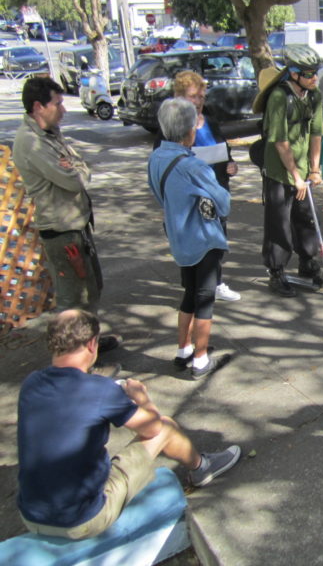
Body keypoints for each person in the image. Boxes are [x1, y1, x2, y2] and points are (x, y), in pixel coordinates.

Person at [16, 309, 241, 539]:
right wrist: (142, 397)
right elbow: (152, 427)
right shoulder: (99, 389)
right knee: (165, 426)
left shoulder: (31, 383)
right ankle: (202, 467)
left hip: (31, 515)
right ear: (92, 344)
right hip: (82, 520)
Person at [12, 76, 120, 367]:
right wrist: (77, 170)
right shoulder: (31, 142)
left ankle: (88, 343)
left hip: (77, 227)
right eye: (58, 103)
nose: (63, 109)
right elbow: (74, 181)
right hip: (62, 232)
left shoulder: (50, 133)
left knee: (90, 290)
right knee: (73, 300)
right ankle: (69, 364)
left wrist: (77, 168)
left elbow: (81, 164)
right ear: (38, 106)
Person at [148, 98, 231, 379]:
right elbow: (224, 203)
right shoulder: (192, 166)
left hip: (178, 235)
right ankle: (200, 358)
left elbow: (158, 194)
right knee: (205, 298)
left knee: (189, 295)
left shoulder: (157, 157)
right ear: (189, 131)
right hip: (203, 238)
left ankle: (183, 349)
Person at [154, 70, 241, 302]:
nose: (199, 102)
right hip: (190, 198)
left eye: (202, 96)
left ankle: (216, 282)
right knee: (192, 243)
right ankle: (193, 290)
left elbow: (223, 150)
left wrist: (230, 165)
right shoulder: (170, 128)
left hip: (215, 189)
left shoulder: (209, 120)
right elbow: (162, 162)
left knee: (217, 239)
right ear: (179, 96)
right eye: (194, 96)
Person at [257, 45, 323, 297]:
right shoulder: (279, 97)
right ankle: (276, 272)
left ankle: (308, 263)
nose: (314, 78)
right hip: (279, 172)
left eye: (315, 73)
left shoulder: (314, 95)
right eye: (308, 74)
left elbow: (316, 133)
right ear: (294, 74)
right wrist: (295, 177)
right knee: (279, 223)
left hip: (303, 173)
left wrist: (314, 170)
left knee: (305, 218)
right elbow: (280, 142)